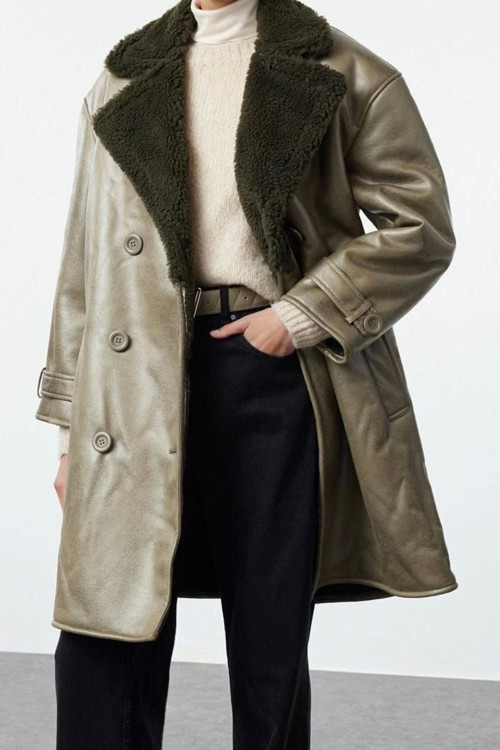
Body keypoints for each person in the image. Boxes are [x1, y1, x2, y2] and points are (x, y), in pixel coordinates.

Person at [35, 0, 458, 748]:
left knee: (269, 630)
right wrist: (70, 428)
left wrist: (299, 315)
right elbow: (85, 260)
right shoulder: (123, 76)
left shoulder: (345, 70)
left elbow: (420, 228)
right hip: (134, 380)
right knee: (105, 624)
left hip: (270, 372)